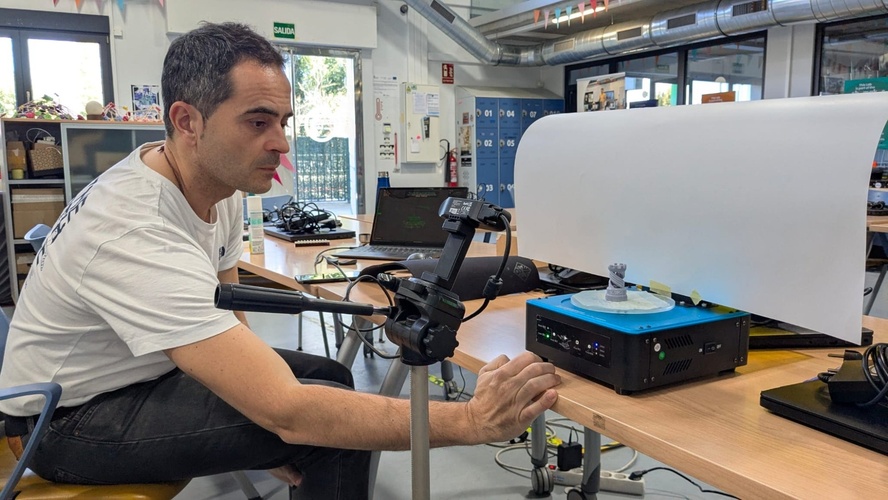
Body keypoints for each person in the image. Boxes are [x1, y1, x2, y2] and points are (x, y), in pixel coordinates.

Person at [0, 22, 561, 499]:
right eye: (257, 121)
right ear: (187, 120)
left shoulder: (216, 189)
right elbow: (288, 410)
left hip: (139, 377)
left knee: (332, 376)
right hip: (64, 423)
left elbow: (230, 312)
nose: (282, 144)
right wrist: (470, 420)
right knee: (319, 426)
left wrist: (257, 412)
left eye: (284, 122)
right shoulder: (132, 226)